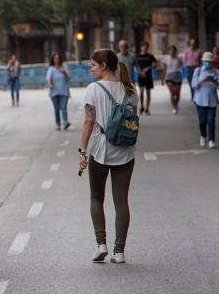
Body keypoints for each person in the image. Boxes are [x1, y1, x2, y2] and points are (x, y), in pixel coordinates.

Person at [78, 48, 139, 264]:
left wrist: (82, 151)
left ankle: (101, 244)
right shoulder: (131, 89)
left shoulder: (93, 89)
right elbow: (133, 120)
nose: (91, 69)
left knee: (96, 197)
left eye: (93, 65)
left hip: (100, 150)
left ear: (104, 66)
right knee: (121, 201)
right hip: (125, 151)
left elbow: (88, 121)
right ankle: (119, 252)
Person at [191, 52, 219, 149]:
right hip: (200, 100)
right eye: (205, 61)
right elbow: (193, 85)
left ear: (212, 62)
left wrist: (214, 81)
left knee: (211, 120)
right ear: (202, 61)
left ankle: (211, 140)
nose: (207, 63)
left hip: (212, 100)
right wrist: (202, 81)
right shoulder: (198, 71)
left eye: (209, 61)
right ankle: (203, 136)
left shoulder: (217, 72)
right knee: (202, 121)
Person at [46, 53, 71, 130]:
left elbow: (68, 78)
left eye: (58, 58)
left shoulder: (64, 67)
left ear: (60, 59)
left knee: (63, 107)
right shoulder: (51, 69)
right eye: (55, 58)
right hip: (54, 92)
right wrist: (50, 84)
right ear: (53, 60)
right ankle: (58, 123)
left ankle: (65, 122)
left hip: (64, 91)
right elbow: (48, 78)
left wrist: (63, 72)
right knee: (56, 108)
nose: (56, 59)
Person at [134, 42, 156, 115]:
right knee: (141, 92)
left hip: (148, 76)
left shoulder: (150, 56)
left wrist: (148, 68)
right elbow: (136, 65)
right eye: (143, 46)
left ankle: (147, 108)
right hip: (140, 76)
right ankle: (142, 106)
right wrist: (140, 71)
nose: (145, 48)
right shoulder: (138, 56)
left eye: (146, 47)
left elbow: (155, 64)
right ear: (141, 47)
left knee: (148, 92)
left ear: (147, 47)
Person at [162, 45, 183, 114]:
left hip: (177, 76)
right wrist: (162, 79)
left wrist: (177, 58)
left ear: (175, 51)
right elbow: (164, 69)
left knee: (178, 94)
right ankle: (174, 107)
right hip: (169, 77)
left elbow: (181, 66)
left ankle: (176, 105)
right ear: (169, 51)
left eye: (173, 50)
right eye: (170, 50)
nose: (172, 52)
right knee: (172, 92)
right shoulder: (166, 59)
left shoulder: (179, 58)